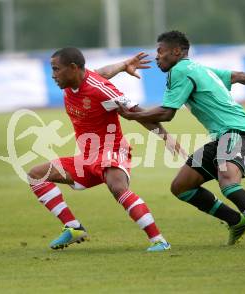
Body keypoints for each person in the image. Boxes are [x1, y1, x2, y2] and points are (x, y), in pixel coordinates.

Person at [106, 30, 245, 251]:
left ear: (176, 52)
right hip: (223, 135)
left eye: (160, 51)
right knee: (181, 187)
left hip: (236, 131)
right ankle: (236, 221)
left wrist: (132, 115)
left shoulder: (180, 71)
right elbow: (240, 75)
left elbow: (167, 113)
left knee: (228, 182)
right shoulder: (198, 68)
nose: (157, 57)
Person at [27, 47, 174, 251]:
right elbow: (99, 73)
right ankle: (73, 227)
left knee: (117, 188)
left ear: (72, 68)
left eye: (56, 69)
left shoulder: (101, 89)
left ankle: (159, 241)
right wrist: (123, 65)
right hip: (86, 158)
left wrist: (167, 138)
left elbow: (138, 112)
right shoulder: (73, 83)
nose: (53, 75)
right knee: (36, 175)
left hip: (111, 151)